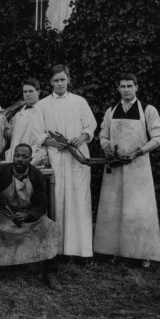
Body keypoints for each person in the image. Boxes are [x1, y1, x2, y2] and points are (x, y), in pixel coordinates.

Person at [94, 73, 160, 267]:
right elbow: (103, 134)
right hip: (115, 169)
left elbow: (159, 137)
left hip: (138, 170)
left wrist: (138, 152)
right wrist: (106, 147)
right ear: (118, 88)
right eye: (122, 86)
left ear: (136, 87)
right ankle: (111, 252)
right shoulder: (111, 110)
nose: (126, 90)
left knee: (138, 210)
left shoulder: (148, 110)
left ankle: (140, 254)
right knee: (112, 210)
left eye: (129, 86)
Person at [0, 144, 62, 292]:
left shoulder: (36, 175)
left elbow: (41, 204)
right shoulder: (2, 170)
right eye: (17, 155)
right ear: (13, 157)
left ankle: (50, 273)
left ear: (30, 159)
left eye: (24, 157)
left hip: (25, 214)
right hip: (3, 213)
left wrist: (27, 215)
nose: (20, 159)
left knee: (49, 226)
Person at [32, 64, 97, 259]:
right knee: (58, 199)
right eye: (56, 80)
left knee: (79, 200)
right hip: (57, 158)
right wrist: (53, 142)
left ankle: (83, 252)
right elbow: (38, 133)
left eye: (63, 79)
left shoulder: (79, 102)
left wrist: (82, 137)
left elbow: (90, 125)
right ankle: (59, 251)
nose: (60, 83)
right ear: (50, 82)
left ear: (68, 80)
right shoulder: (42, 105)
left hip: (77, 158)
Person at [6, 78, 46, 166]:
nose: (27, 94)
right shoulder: (18, 113)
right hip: (16, 158)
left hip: (34, 158)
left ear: (38, 91)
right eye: (25, 92)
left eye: (31, 91)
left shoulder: (44, 111)